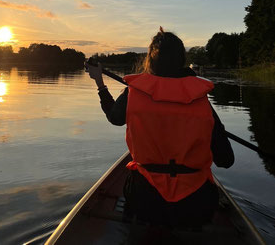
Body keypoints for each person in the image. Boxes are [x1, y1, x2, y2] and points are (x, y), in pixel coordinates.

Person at [85, 27, 234, 227]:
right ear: (181, 59)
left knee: (137, 191)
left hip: (146, 201)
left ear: (151, 60)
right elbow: (225, 160)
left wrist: (100, 83)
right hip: (195, 204)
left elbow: (115, 117)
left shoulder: (135, 91)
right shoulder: (200, 98)